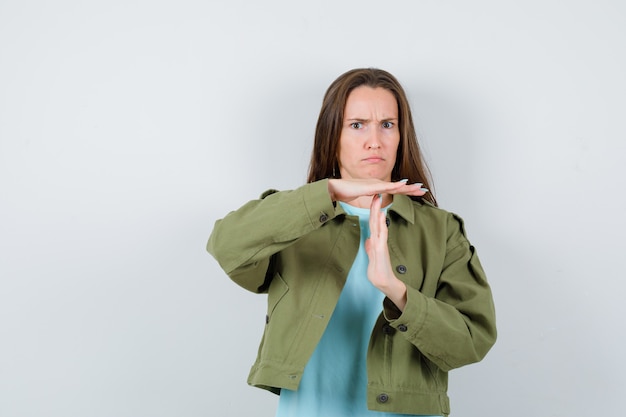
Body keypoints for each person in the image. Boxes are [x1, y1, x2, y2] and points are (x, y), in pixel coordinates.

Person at [207, 68, 497, 417]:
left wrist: (397, 291)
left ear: (402, 135)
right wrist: (326, 193)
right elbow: (226, 245)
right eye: (357, 124)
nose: (374, 140)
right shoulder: (292, 219)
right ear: (333, 136)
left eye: (387, 124)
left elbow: (472, 340)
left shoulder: (440, 230)